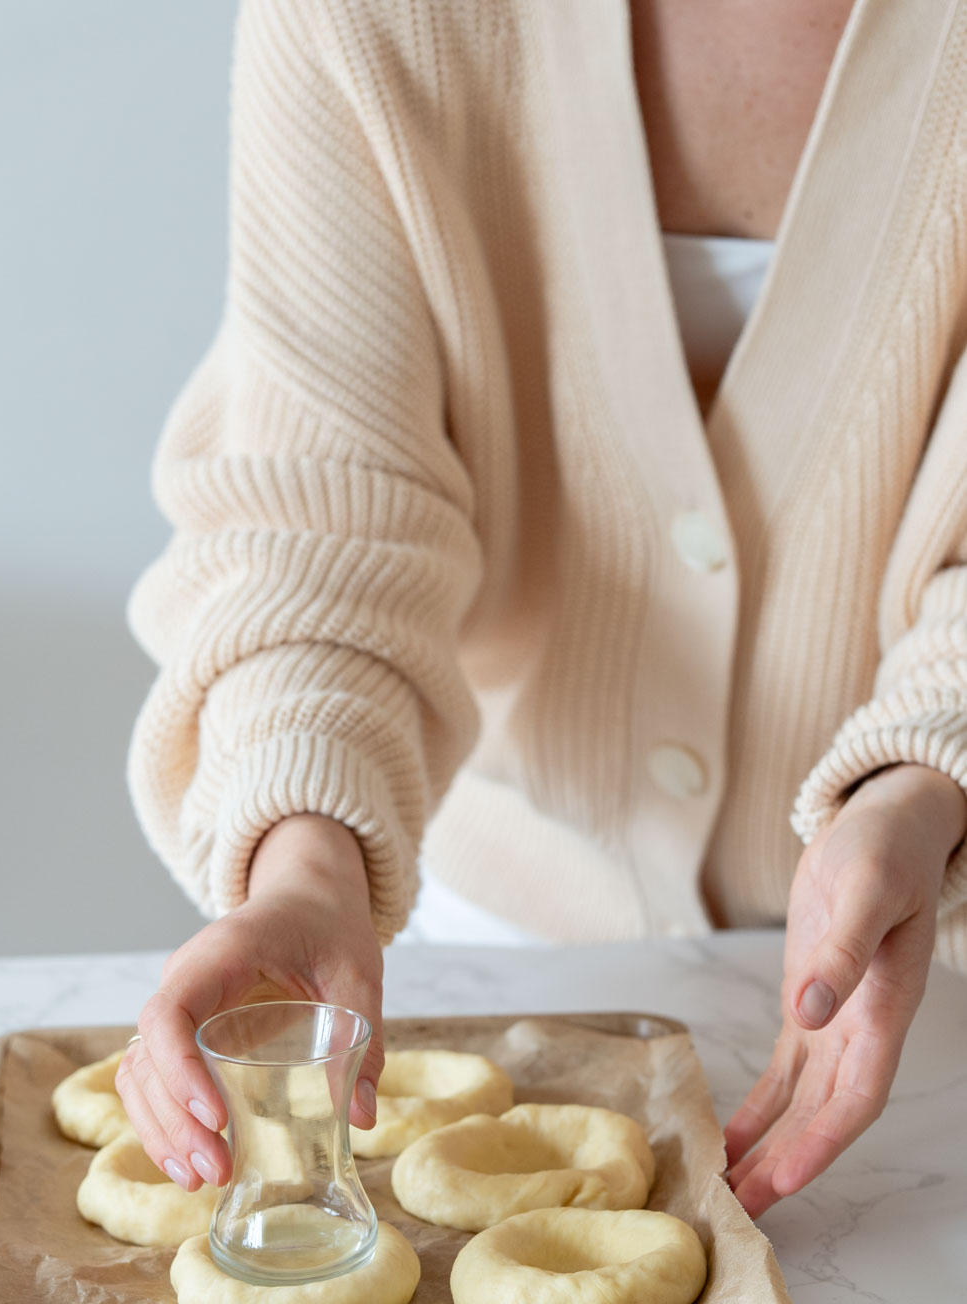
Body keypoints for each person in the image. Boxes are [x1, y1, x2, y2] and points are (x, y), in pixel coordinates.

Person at [116, 0, 967, 1220]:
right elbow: (322, 519)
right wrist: (306, 866)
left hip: (933, 974)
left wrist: (923, 784)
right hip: (475, 954)